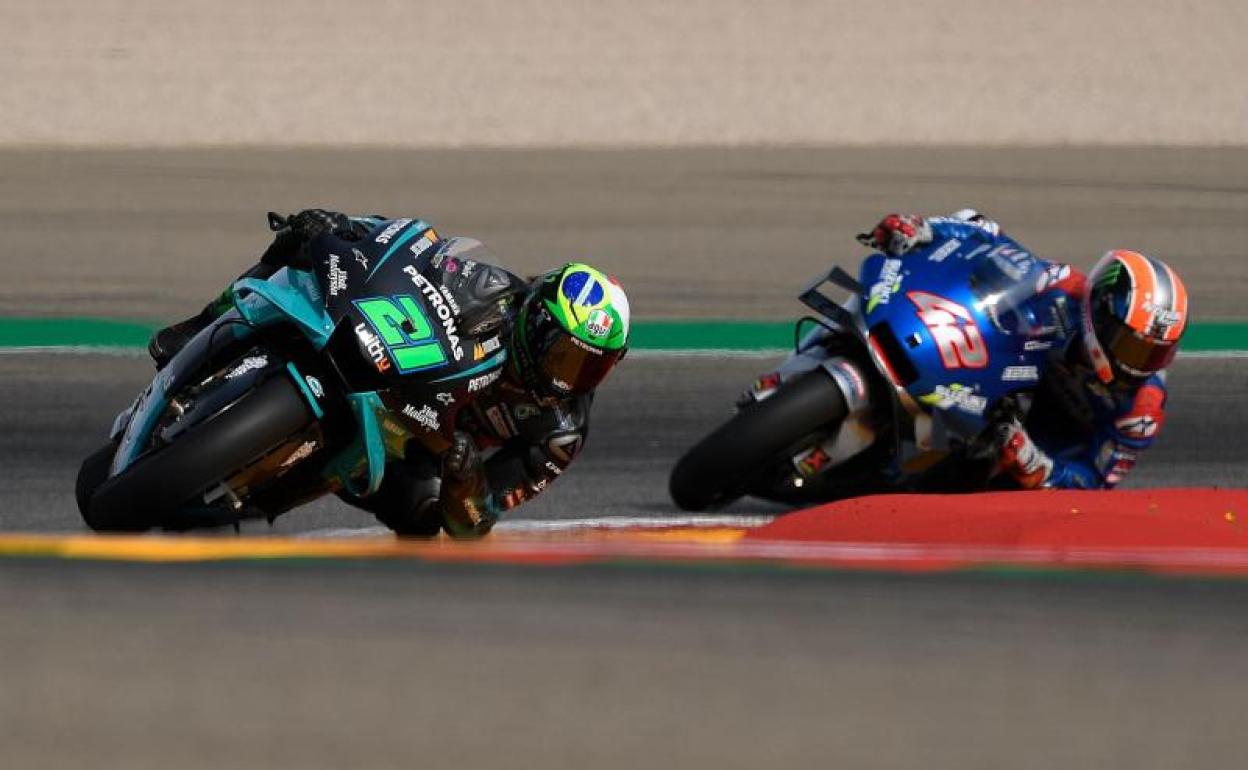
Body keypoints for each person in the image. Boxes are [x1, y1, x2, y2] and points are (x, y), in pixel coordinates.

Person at [149, 209, 631, 537]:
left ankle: (267, 486)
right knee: (306, 238)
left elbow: (475, 521)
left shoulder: (560, 433)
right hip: (397, 366)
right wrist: (347, 228)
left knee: (422, 514)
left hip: (422, 450)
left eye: (591, 365)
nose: (569, 376)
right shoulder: (493, 291)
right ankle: (203, 321)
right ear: (537, 320)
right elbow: (414, 253)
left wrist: (465, 475)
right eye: (563, 354)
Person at [858, 209, 1188, 489]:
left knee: (967, 476)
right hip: (996, 378)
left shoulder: (1142, 411)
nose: (1139, 365)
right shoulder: (1062, 286)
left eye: (1155, 354)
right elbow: (984, 231)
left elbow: (1096, 480)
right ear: (1102, 314)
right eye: (1131, 347)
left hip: (1029, 444)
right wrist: (927, 230)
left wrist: (1041, 465)